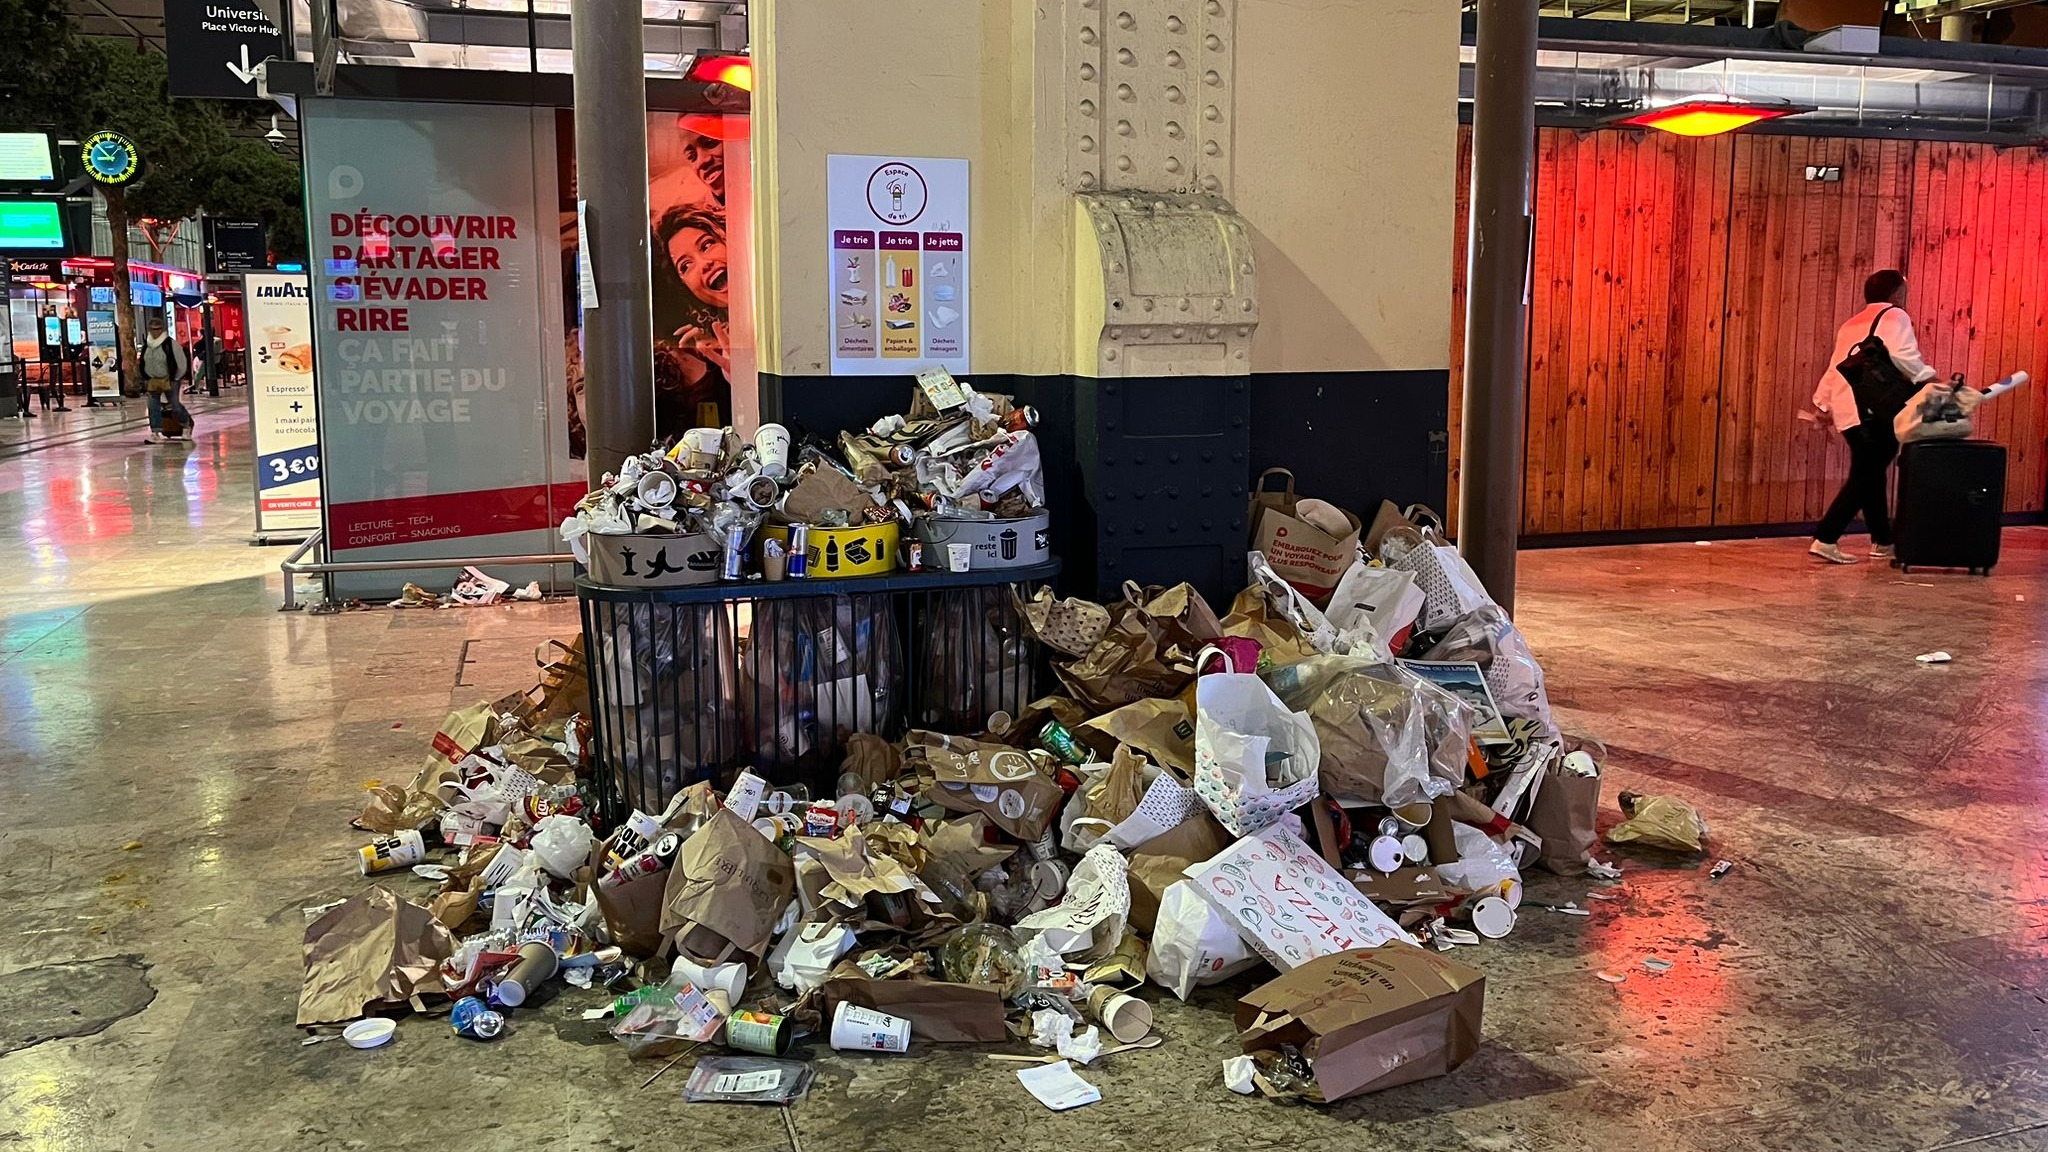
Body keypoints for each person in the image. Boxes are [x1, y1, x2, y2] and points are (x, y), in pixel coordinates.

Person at [1808, 269, 1937, 564]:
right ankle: (1826, 537)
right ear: (1896, 294)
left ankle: (1882, 539)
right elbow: (1904, 355)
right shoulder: (1895, 316)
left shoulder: (1852, 322)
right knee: (1867, 473)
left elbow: (1835, 366)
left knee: (1871, 470)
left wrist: (1823, 404)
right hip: (1876, 407)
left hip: (1848, 407)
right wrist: (1931, 379)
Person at [140, 316, 194, 444]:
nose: (155, 332)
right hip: (153, 380)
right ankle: (156, 432)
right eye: (152, 329)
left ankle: (186, 425)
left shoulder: (170, 344)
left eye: (157, 329)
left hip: (170, 379)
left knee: (174, 404)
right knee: (153, 405)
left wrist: (175, 378)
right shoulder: (147, 345)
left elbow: (181, 362)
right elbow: (143, 361)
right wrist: (145, 377)